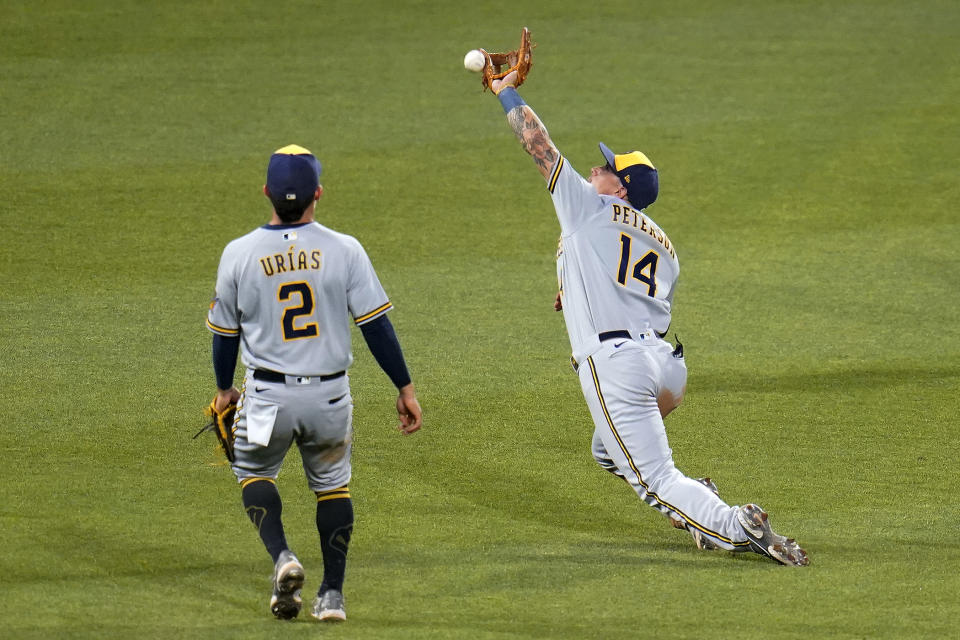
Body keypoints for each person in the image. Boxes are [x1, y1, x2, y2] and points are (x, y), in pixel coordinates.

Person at [482, 70, 808, 566]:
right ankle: (699, 505)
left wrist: (505, 89)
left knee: (656, 478)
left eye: (607, 167)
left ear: (621, 188)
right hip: (665, 366)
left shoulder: (589, 206)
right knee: (606, 449)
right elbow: (632, 290)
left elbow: (537, 143)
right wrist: (573, 288)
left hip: (619, 364)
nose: (595, 167)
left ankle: (735, 524)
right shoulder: (665, 243)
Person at [205, 144, 423, 621]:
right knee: (332, 488)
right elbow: (376, 327)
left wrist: (224, 387)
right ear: (318, 193)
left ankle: (283, 556)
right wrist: (403, 388)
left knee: (253, 473)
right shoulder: (344, 248)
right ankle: (332, 596)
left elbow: (224, 335)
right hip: (328, 397)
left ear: (265, 192)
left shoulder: (238, 253)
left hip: (266, 396)